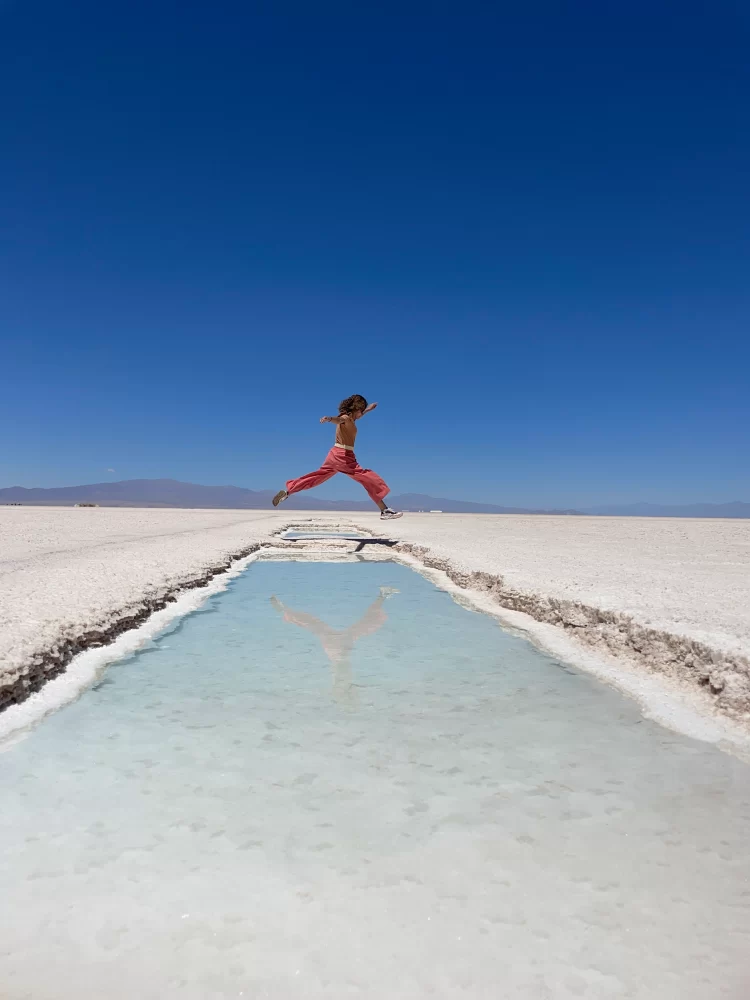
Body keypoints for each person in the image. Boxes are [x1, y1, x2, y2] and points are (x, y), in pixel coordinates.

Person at [272, 394, 403, 519]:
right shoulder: (345, 418)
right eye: (360, 410)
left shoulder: (352, 418)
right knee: (367, 477)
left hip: (334, 454)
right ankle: (384, 510)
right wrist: (329, 419)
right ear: (355, 409)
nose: (361, 414)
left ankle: (288, 491)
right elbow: (338, 420)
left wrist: (369, 409)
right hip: (343, 457)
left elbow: (358, 416)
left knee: (316, 477)